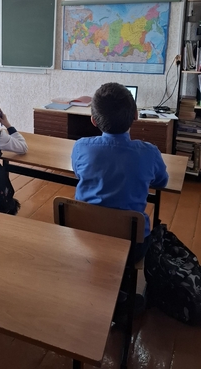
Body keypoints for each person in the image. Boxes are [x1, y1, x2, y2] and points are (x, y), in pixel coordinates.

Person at [71, 82, 168, 262]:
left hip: (84, 237)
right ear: (136, 115)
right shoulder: (150, 153)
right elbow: (162, 181)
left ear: (93, 120)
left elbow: (79, 174)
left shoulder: (81, 147)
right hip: (132, 246)